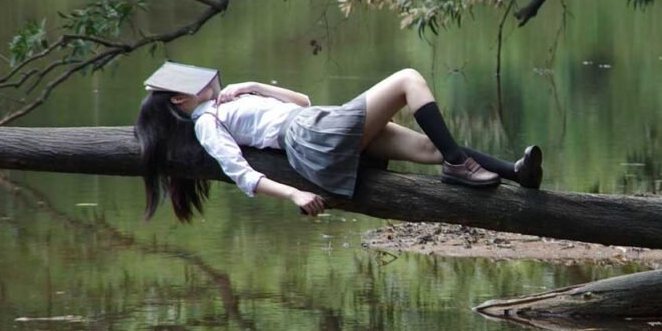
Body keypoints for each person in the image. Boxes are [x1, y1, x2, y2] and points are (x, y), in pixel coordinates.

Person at [135, 64, 543, 221]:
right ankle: (458, 166)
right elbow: (241, 174)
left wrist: (256, 85)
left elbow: (302, 101)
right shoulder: (207, 123)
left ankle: (515, 173)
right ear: (179, 100)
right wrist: (294, 194)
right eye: (195, 82)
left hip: (314, 122)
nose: (209, 79)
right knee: (407, 79)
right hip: (312, 136)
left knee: (429, 148)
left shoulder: (226, 102)